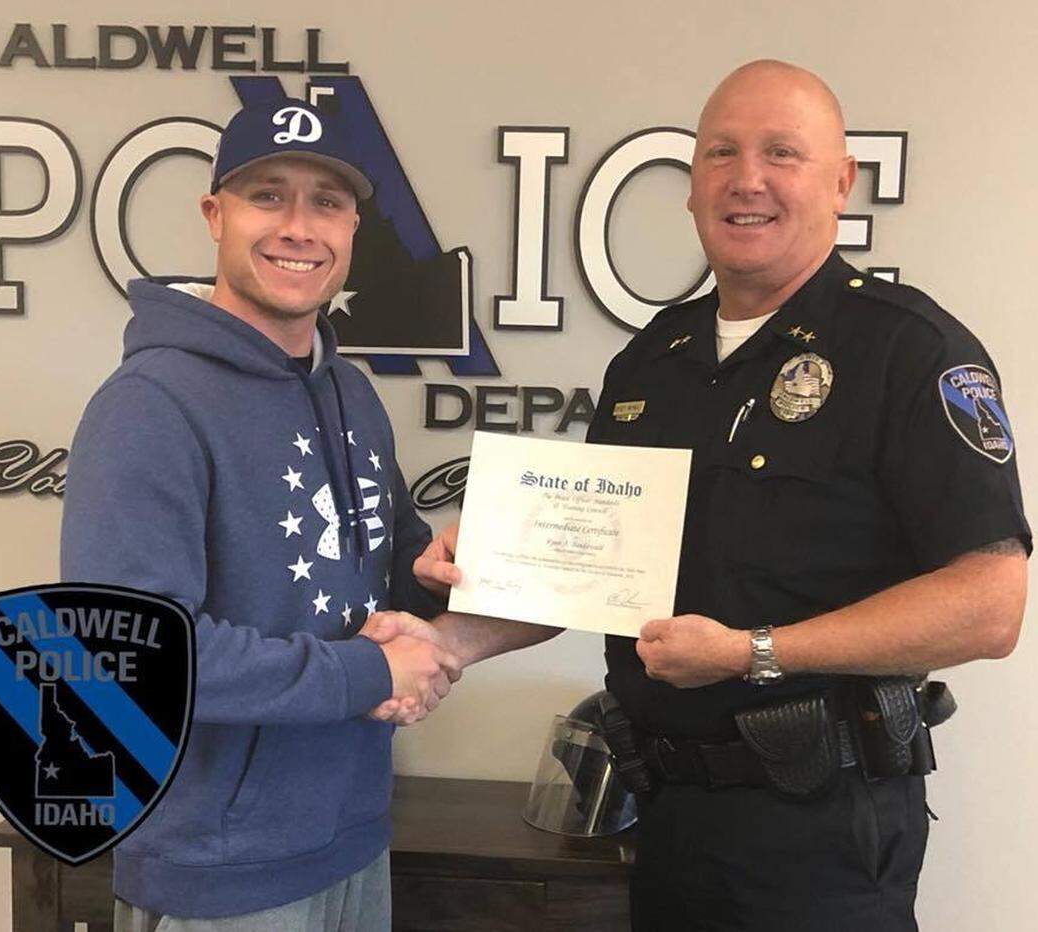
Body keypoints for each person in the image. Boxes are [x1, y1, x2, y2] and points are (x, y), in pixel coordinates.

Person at [408, 60, 1030, 931]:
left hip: (824, 835)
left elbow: (990, 604)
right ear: (693, 187)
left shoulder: (907, 349)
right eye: (720, 154)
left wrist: (753, 652)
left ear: (843, 182)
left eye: (783, 153)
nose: (748, 179)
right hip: (669, 817)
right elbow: (587, 577)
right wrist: (445, 638)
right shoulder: (653, 361)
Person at [61, 98, 461, 932]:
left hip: (350, 837)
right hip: (221, 872)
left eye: (327, 202)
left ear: (354, 227)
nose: (299, 227)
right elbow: (135, 654)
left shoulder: (351, 393)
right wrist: (369, 674)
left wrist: (428, 578)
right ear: (215, 214)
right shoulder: (148, 405)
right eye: (268, 195)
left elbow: (383, 586)